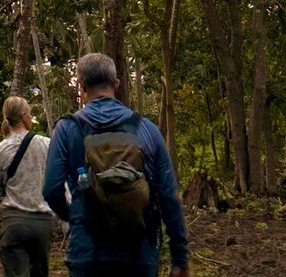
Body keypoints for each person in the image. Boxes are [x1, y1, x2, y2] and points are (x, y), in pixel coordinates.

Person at [43, 53, 190, 277]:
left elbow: (51, 190)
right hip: (139, 255)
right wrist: (179, 257)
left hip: (88, 255)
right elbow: (169, 196)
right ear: (117, 84)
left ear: (81, 86)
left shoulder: (67, 129)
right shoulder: (147, 129)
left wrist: (78, 218)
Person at [0, 97, 56, 277]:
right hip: (42, 226)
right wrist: (68, 223)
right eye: (29, 113)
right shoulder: (47, 144)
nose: (30, 117)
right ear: (23, 115)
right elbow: (58, 183)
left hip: (15, 225)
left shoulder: (0, 150)